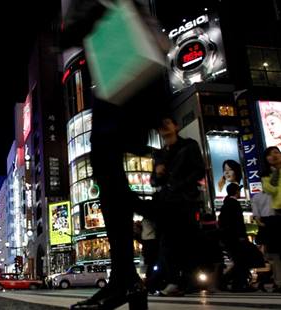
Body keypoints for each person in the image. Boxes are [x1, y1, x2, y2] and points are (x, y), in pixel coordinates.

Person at [61, 1, 171, 308]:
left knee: (105, 166)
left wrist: (72, 27)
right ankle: (127, 279)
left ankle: (126, 278)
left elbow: (80, 23)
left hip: (124, 68)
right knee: (107, 170)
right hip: (129, 67)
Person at [151, 116, 205, 296]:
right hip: (167, 202)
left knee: (188, 239)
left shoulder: (189, 146)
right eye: (161, 125)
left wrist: (179, 184)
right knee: (167, 242)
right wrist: (158, 174)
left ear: (176, 126)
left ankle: (190, 280)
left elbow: (199, 169)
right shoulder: (158, 154)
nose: (164, 127)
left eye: (167, 123)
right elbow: (153, 181)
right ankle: (173, 280)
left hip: (186, 200)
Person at [218, 183, 253, 291]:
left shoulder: (226, 204)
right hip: (235, 238)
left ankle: (232, 283)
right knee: (241, 261)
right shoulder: (234, 204)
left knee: (239, 261)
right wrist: (242, 236)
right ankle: (236, 284)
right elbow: (238, 222)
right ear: (236, 191)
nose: (240, 192)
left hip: (229, 238)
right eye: (239, 191)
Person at [260, 146, 281, 292]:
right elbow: (271, 190)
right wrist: (276, 173)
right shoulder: (266, 176)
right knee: (278, 252)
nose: (273, 156)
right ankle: (279, 282)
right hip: (277, 215)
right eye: (269, 154)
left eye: (276, 152)